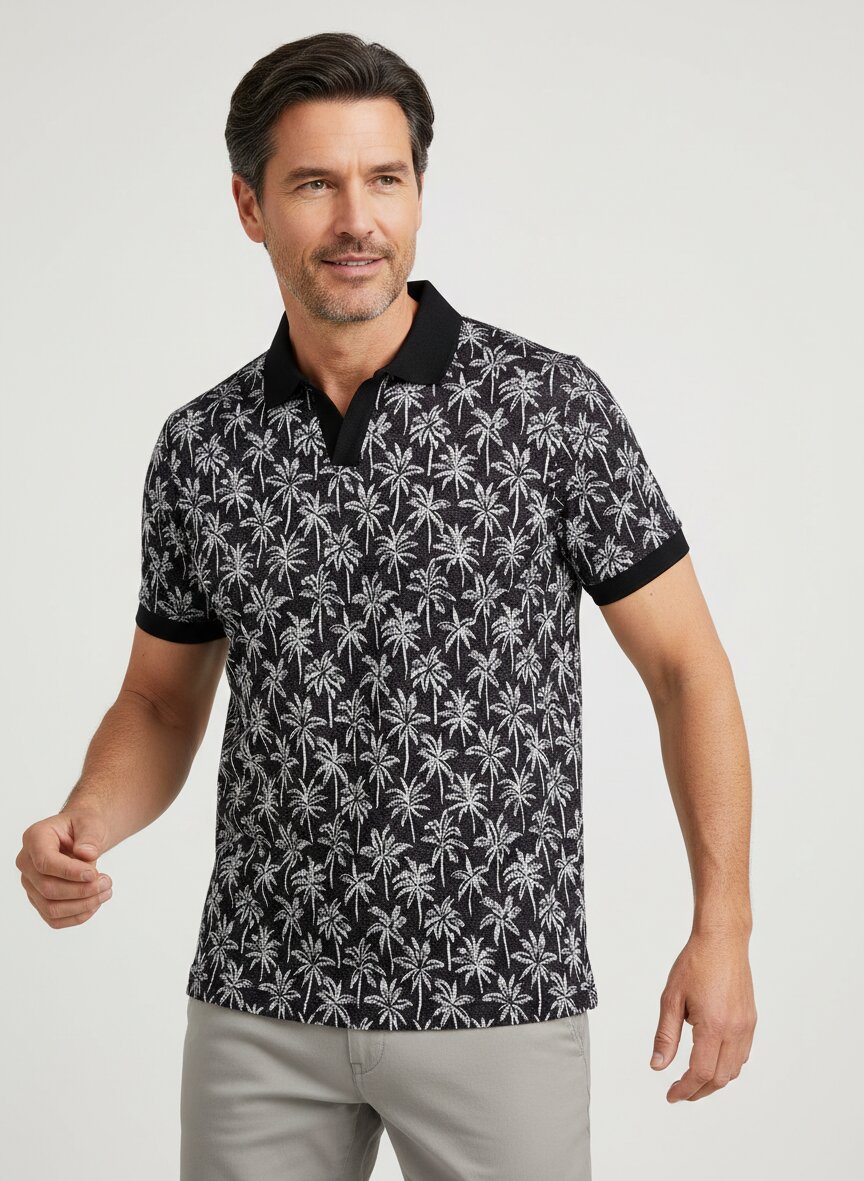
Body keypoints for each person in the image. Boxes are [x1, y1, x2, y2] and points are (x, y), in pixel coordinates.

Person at [15, 30, 756, 1181]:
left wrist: (724, 925)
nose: (357, 218)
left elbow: (685, 670)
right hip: (259, 1001)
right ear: (251, 206)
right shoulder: (202, 447)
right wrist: (85, 822)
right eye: (315, 183)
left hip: (496, 988)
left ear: (417, 192)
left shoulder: (547, 409)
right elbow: (159, 703)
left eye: (385, 179)